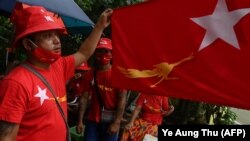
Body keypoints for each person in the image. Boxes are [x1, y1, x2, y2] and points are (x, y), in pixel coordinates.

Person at [0, 5, 112, 141]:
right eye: (47, 36)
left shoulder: (59, 66)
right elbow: (7, 137)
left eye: (56, 34)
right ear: (28, 45)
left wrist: (100, 25)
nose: (57, 41)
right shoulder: (16, 83)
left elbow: (84, 53)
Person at [76, 38, 127, 141]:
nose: (102, 54)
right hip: (92, 121)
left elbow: (122, 100)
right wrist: (80, 120)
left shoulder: (118, 75)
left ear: (112, 54)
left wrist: (116, 123)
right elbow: (84, 99)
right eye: (99, 51)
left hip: (111, 122)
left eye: (106, 51)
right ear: (95, 53)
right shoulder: (89, 74)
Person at [66, 62, 91, 126]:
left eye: (82, 71)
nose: (80, 73)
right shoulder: (70, 79)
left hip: (82, 110)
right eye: (78, 70)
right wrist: (72, 80)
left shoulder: (89, 82)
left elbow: (90, 98)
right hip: (69, 109)